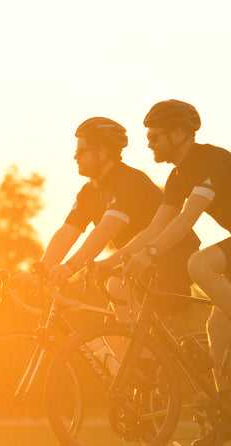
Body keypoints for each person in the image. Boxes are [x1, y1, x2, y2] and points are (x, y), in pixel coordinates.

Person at [122, 100, 231, 446]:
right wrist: (123, 259)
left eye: (155, 136)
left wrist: (153, 253)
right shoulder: (177, 175)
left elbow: (187, 218)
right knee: (216, 326)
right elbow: (157, 226)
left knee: (199, 263)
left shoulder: (212, 161)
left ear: (179, 134)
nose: (150, 143)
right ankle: (229, 415)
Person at [32, 117, 199, 315]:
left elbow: (107, 229)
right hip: (136, 263)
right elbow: (67, 231)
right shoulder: (89, 192)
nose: (75, 157)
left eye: (81, 151)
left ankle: (140, 345)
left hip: (172, 259)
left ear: (102, 152)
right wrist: (41, 270)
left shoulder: (129, 181)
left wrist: (70, 267)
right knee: (111, 332)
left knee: (116, 290)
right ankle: (137, 345)